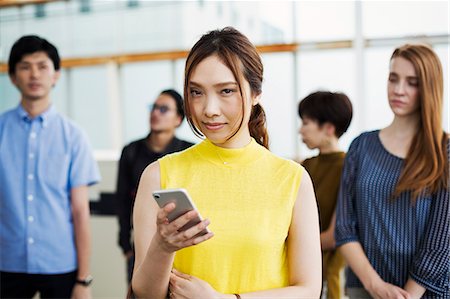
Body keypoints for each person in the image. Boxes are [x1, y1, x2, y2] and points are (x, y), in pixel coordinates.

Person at [131, 27, 322, 299]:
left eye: (226, 91)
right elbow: (146, 293)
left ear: (256, 93)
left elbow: (309, 290)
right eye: (196, 92)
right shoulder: (159, 175)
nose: (209, 109)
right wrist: (163, 247)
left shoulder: (292, 179)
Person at [335, 43, 449, 299]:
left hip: (426, 291)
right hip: (364, 288)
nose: (399, 90)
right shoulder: (361, 146)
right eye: (393, 79)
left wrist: (408, 295)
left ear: (429, 88)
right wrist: (375, 286)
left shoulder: (445, 151)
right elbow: (344, 226)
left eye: (412, 82)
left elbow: (442, 239)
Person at [0, 35, 100, 298]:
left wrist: (84, 280)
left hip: (60, 264)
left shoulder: (73, 136)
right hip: (6, 262)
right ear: (12, 77)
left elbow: (80, 211)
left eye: (42, 66)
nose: (34, 74)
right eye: (24, 66)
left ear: (55, 75)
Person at [115, 89, 193, 283]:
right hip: (141, 244)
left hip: (181, 245)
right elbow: (122, 201)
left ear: (178, 119)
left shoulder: (189, 152)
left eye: (164, 109)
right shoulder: (131, 151)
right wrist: (126, 246)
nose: (155, 113)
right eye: (154, 108)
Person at [298, 91, 353, 299]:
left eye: (306, 123)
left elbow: (334, 237)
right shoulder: (306, 166)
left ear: (328, 128)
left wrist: (295, 243)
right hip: (303, 268)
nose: (300, 130)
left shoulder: (349, 167)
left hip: (331, 275)